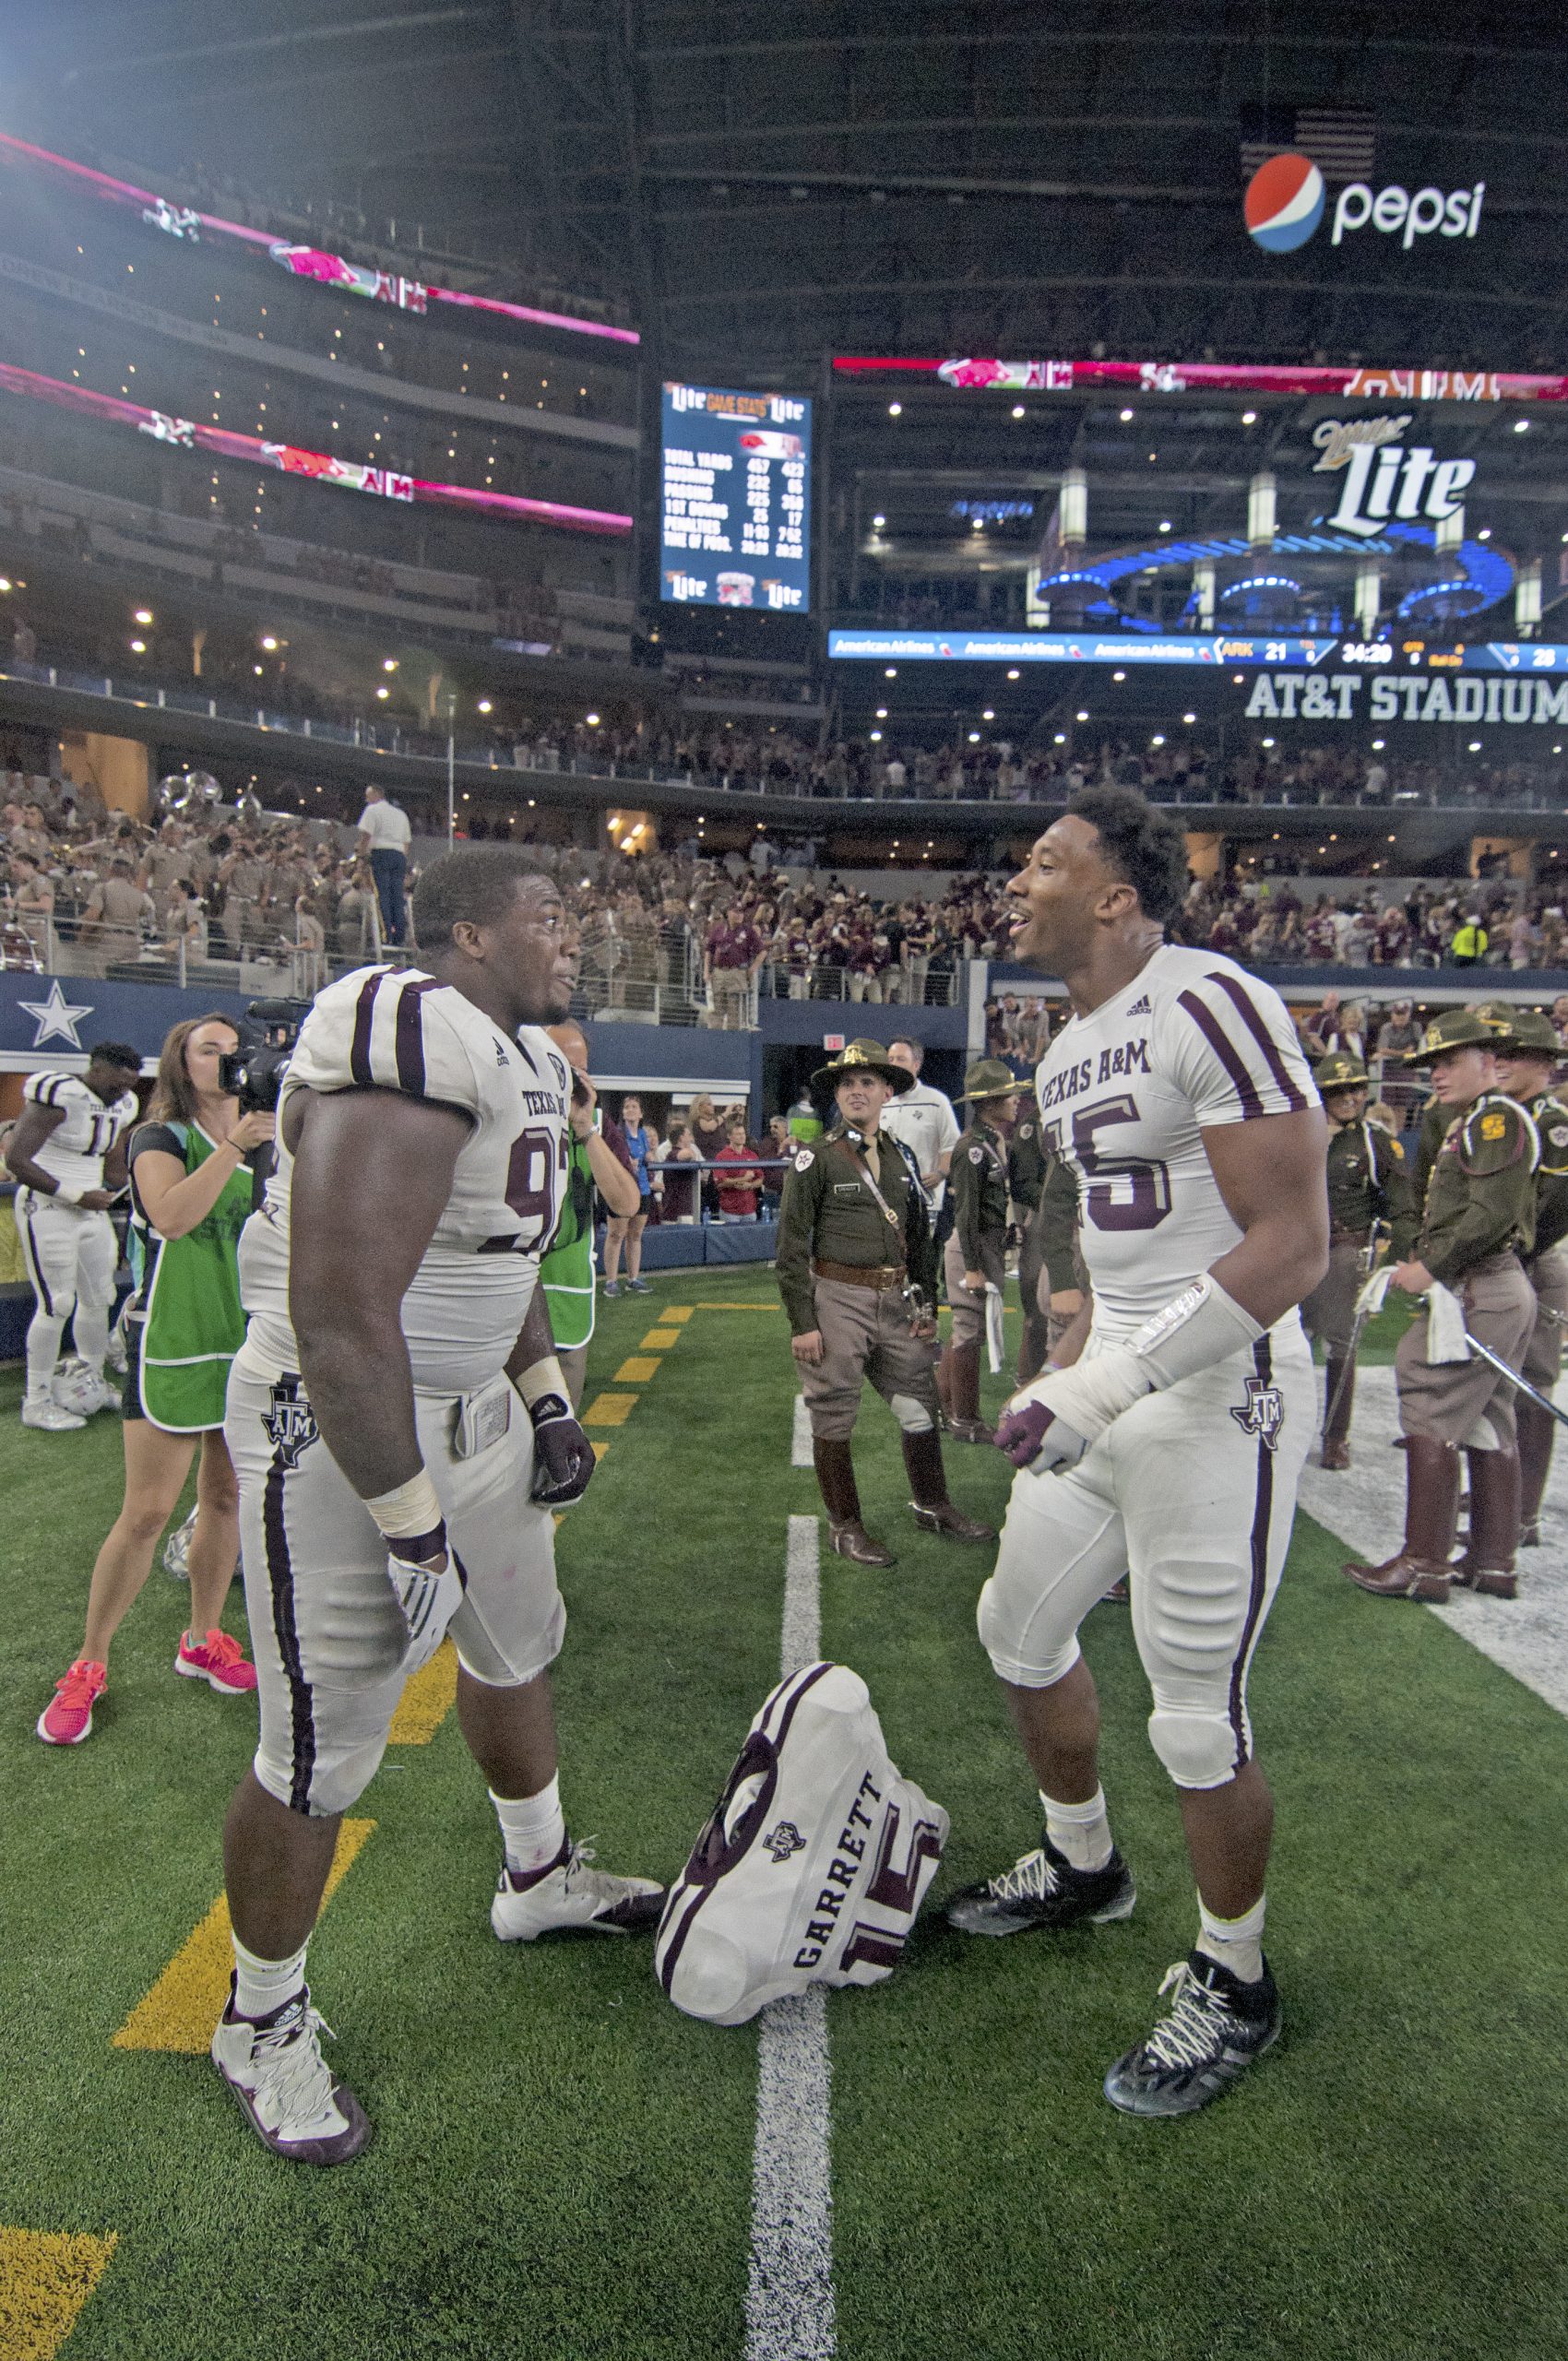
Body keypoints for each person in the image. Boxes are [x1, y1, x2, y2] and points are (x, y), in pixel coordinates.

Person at [213, 846, 663, 2166]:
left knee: (518, 1647)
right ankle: (260, 2017)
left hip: (472, 1419)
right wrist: (409, 1519)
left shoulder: (519, 1055)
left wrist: (543, 1396)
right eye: (549, 916)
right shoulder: (408, 1023)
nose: (573, 937)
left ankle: (538, 1872)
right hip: (346, 1431)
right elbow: (343, 1313)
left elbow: (496, 1254)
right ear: (467, 930)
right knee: (320, 1747)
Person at [948, 788, 1327, 2119]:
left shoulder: (1209, 998)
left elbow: (1291, 1246)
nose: (1019, 883)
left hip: (1226, 1391)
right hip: (1121, 1383)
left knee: (1193, 1715)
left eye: (1047, 865)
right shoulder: (1064, 1049)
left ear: (1116, 896)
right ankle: (1083, 1862)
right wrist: (1077, 1362)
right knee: (1017, 1630)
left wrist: (1110, 1379)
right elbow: (1125, 1251)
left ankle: (1236, 1975)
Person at [35, 1017, 273, 1746]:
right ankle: (87, 1664)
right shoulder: (158, 1137)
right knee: (145, 1515)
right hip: (169, 1340)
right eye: (210, 1048)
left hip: (243, 1344)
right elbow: (171, 1217)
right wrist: (237, 1144)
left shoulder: (274, 1145)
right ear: (180, 1062)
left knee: (225, 1500)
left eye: (235, 1049)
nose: (227, 1058)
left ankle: (202, 1639)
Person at [775, 1040, 994, 1567]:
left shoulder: (901, 1156)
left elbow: (919, 1240)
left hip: (897, 1299)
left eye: (867, 1082)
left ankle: (932, 1503)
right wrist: (804, 1323)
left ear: (886, 1092)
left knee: (919, 1404)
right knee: (834, 1412)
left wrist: (927, 1307)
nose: (856, 1091)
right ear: (837, 1094)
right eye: (847, 1084)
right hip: (837, 1299)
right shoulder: (817, 1157)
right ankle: (846, 1527)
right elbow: (789, 1248)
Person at [1344, 1011, 1538, 1604]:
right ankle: (1491, 1560)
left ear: (1490, 1061)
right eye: (1432, 1065)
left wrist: (1430, 1266)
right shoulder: (1473, 1119)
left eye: (1450, 1061)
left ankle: (1424, 1563)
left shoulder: (1497, 1119)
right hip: (1488, 1284)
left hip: (1479, 1283)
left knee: (1426, 1392)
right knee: (1487, 1418)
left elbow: (1490, 1213)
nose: (1438, 1075)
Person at [8, 1041, 142, 1431]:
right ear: (96, 1069)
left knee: (100, 1297)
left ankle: (90, 1384)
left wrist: (128, 1184)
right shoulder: (58, 1095)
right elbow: (17, 1160)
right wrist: (75, 1194)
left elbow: (114, 1165)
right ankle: (36, 1402)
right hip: (48, 1207)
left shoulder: (124, 1104)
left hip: (90, 1208)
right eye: (116, 1083)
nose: (122, 1091)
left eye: (128, 1085)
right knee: (57, 1303)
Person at [1477, 1009, 1568, 1551]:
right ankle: (1500, 1494)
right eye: (1499, 1054)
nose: (1502, 1063)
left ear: (1545, 1065)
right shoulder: (1505, 1114)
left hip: (1535, 1263)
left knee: (1533, 1387)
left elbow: (1557, 1205)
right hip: (1512, 1261)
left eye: (1515, 1055)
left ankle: (1522, 1513)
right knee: (1496, 1382)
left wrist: (1516, 1250)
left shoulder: (1551, 1120)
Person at [1301, 1052, 1416, 1470]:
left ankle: (1336, 1436)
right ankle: (1281, 1429)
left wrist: (1398, 1260)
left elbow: (1403, 1204)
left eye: (1356, 1089)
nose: (1349, 1097)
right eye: (1338, 1090)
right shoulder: (1299, 1134)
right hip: (1293, 1250)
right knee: (1286, 1347)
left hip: (1344, 1249)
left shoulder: (1374, 1140)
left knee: (1339, 1347)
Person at [538, 1019, 642, 1406]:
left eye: (579, 1068)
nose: (571, 1076)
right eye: (559, 1064)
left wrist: (584, 1128)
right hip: (506, 1286)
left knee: (562, 1420)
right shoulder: (503, 1107)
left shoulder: (596, 1123)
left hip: (564, 1286)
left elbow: (627, 1204)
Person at [937, 1059, 1020, 1443]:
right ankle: (964, 1420)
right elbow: (966, 1213)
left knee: (969, 1333)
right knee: (968, 1333)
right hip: (973, 1246)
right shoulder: (972, 1147)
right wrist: (973, 1266)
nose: (1016, 1100)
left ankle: (947, 1410)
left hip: (987, 1243)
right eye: (1009, 1094)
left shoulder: (990, 1141)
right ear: (991, 1102)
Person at [878, 1038, 959, 1213]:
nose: (894, 1064)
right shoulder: (880, 1102)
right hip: (886, 1203)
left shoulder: (936, 1101)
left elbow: (952, 1146)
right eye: (890, 1059)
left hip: (925, 1203)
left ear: (916, 1064)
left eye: (901, 1059)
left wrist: (940, 1174)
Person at [603, 1093, 655, 1296]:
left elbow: (646, 1157)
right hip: (621, 1189)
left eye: (634, 1107)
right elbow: (609, 1159)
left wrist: (647, 1157)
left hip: (642, 1188)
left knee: (635, 1235)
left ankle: (632, 1278)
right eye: (627, 1107)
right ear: (623, 1113)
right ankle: (611, 1281)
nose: (630, 1110)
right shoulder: (617, 1134)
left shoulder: (642, 1134)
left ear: (641, 1113)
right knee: (616, 1234)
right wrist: (626, 1164)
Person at [356, 784, 411, 946]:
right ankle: (399, 934)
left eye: (368, 795)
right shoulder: (400, 814)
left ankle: (385, 933)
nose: (366, 800)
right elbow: (407, 842)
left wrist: (361, 853)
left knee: (383, 895)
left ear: (376, 794)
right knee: (397, 895)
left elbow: (366, 835)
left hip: (381, 854)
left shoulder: (373, 810)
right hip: (399, 855)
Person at [714, 1116, 762, 1218]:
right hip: (730, 1211)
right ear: (729, 1136)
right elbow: (721, 1183)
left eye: (743, 1133)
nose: (742, 1136)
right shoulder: (721, 1156)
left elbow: (760, 1179)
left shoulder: (752, 1155)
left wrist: (750, 1185)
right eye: (738, 1134)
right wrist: (744, 1179)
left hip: (750, 1210)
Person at [657, 1119, 702, 1223]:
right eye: (689, 1135)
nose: (691, 1138)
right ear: (681, 1138)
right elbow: (684, 1155)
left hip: (687, 1211)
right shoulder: (672, 1154)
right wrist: (691, 1152)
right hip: (676, 1213)